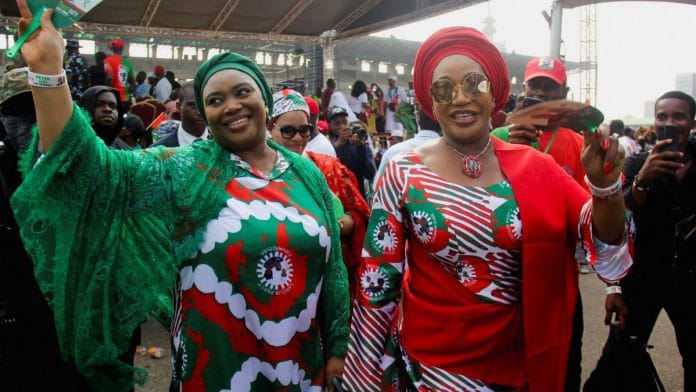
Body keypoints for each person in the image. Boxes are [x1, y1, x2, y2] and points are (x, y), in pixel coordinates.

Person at [10, 4, 349, 390]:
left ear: (264, 98)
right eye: (215, 100)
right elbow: (90, 171)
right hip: (215, 376)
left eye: (242, 92)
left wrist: (337, 349)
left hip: (303, 373)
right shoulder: (184, 169)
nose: (231, 106)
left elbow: (333, 267)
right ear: (204, 112)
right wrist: (48, 69)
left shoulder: (306, 173)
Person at [342, 26, 632, 391]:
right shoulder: (404, 169)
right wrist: (362, 381)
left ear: (495, 94)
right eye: (444, 88)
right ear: (430, 101)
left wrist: (604, 184)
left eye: (475, 84)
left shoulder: (534, 166)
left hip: (518, 368)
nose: (460, 98)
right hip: (432, 372)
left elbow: (603, 237)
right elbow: (377, 284)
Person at [0, 66, 91, 391]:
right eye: (18, 113)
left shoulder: (87, 167)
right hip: (17, 327)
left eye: (41, 109)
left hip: (77, 328)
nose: (31, 123)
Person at [608, 90, 696, 390]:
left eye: (679, 116)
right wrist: (642, 180)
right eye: (662, 117)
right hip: (644, 275)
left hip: (691, 278)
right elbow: (617, 221)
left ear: (692, 121)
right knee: (619, 357)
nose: (670, 123)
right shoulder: (637, 164)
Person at [268, 88, 370, 299]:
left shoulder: (327, 168)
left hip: (323, 282)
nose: (297, 138)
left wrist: (340, 224)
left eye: (304, 130)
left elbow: (360, 214)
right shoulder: (253, 173)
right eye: (288, 130)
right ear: (270, 128)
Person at [492, 56, 587, 187]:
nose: (541, 93)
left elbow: (587, 203)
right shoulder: (499, 138)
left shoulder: (581, 146)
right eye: (534, 85)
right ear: (524, 89)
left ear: (565, 92)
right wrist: (514, 152)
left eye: (550, 86)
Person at [373, 108, 442, 187]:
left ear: (418, 122)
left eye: (395, 138)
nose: (393, 140)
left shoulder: (392, 152)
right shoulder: (451, 154)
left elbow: (377, 187)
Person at [327, 106, 375, 198]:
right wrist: (337, 146)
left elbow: (370, 174)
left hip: (358, 198)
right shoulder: (327, 145)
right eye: (337, 123)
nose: (342, 126)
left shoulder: (358, 143)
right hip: (336, 198)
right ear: (331, 126)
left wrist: (360, 148)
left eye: (344, 122)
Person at [153, 82, 208, 147]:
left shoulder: (221, 144)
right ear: (179, 107)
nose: (200, 112)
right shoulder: (160, 150)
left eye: (204, 105)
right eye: (194, 106)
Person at [103, 38, 135, 108]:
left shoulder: (107, 60)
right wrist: (127, 93)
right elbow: (133, 84)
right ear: (122, 48)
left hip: (114, 98)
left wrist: (106, 91)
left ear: (111, 48)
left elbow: (109, 78)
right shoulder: (127, 63)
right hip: (126, 100)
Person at [384, 75, 408, 139]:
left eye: (391, 81)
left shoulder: (400, 90)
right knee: (389, 126)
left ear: (394, 82)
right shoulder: (386, 91)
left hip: (398, 110)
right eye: (389, 81)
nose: (389, 82)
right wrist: (384, 114)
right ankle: (391, 140)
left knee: (399, 126)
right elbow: (385, 102)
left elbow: (405, 101)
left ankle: (400, 139)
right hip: (389, 111)